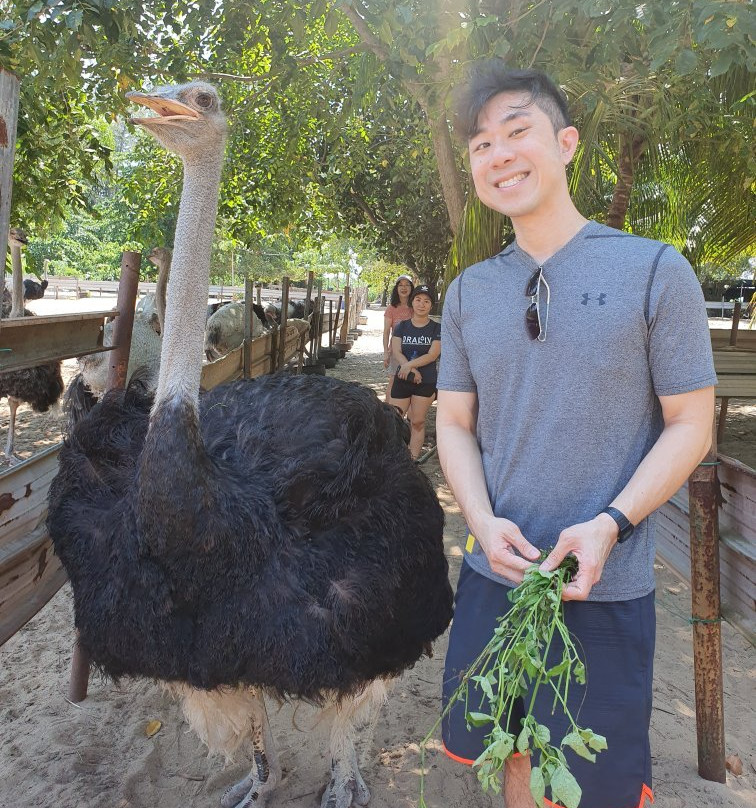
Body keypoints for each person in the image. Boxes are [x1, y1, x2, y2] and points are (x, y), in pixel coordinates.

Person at [436, 61, 716, 808]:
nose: (498, 154)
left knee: (591, 785)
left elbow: (692, 423)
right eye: (481, 144)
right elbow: (454, 423)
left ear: (566, 143)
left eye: (516, 131)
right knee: (510, 755)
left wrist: (610, 524)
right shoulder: (466, 293)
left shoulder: (656, 272)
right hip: (497, 574)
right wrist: (480, 520)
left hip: (607, 584)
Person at [390, 285, 441, 460]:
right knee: (393, 420)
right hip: (403, 379)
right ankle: (392, 457)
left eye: (426, 301)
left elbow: (433, 354)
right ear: (412, 302)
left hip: (425, 382)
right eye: (418, 300)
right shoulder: (402, 326)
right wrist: (410, 369)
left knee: (417, 422)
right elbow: (396, 351)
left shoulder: (437, 328)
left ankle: (412, 460)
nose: (422, 304)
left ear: (431, 305)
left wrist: (409, 366)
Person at [383, 275, 414, 406]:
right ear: (396, 288)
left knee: (412, 380)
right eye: (400, 285)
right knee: (393, 380)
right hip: (396, 350)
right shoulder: (391, 308)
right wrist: (386, 352)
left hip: (414, 351)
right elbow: (386, 332)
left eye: (407, 285)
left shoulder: (416, 306)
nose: (404, 288)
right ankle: (387, 410)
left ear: (412, 288)